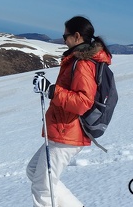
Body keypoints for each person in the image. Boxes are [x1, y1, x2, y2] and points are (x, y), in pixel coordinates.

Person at [27, 16, 112, 207]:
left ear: (77, 36)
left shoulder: (83, 64)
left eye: (65, 35)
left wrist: (51, 90)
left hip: (68, 132)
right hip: (63, 129)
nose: (63, 39)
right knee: (34, 171)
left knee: (43, 187)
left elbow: (83, 102)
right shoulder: (77, 60)